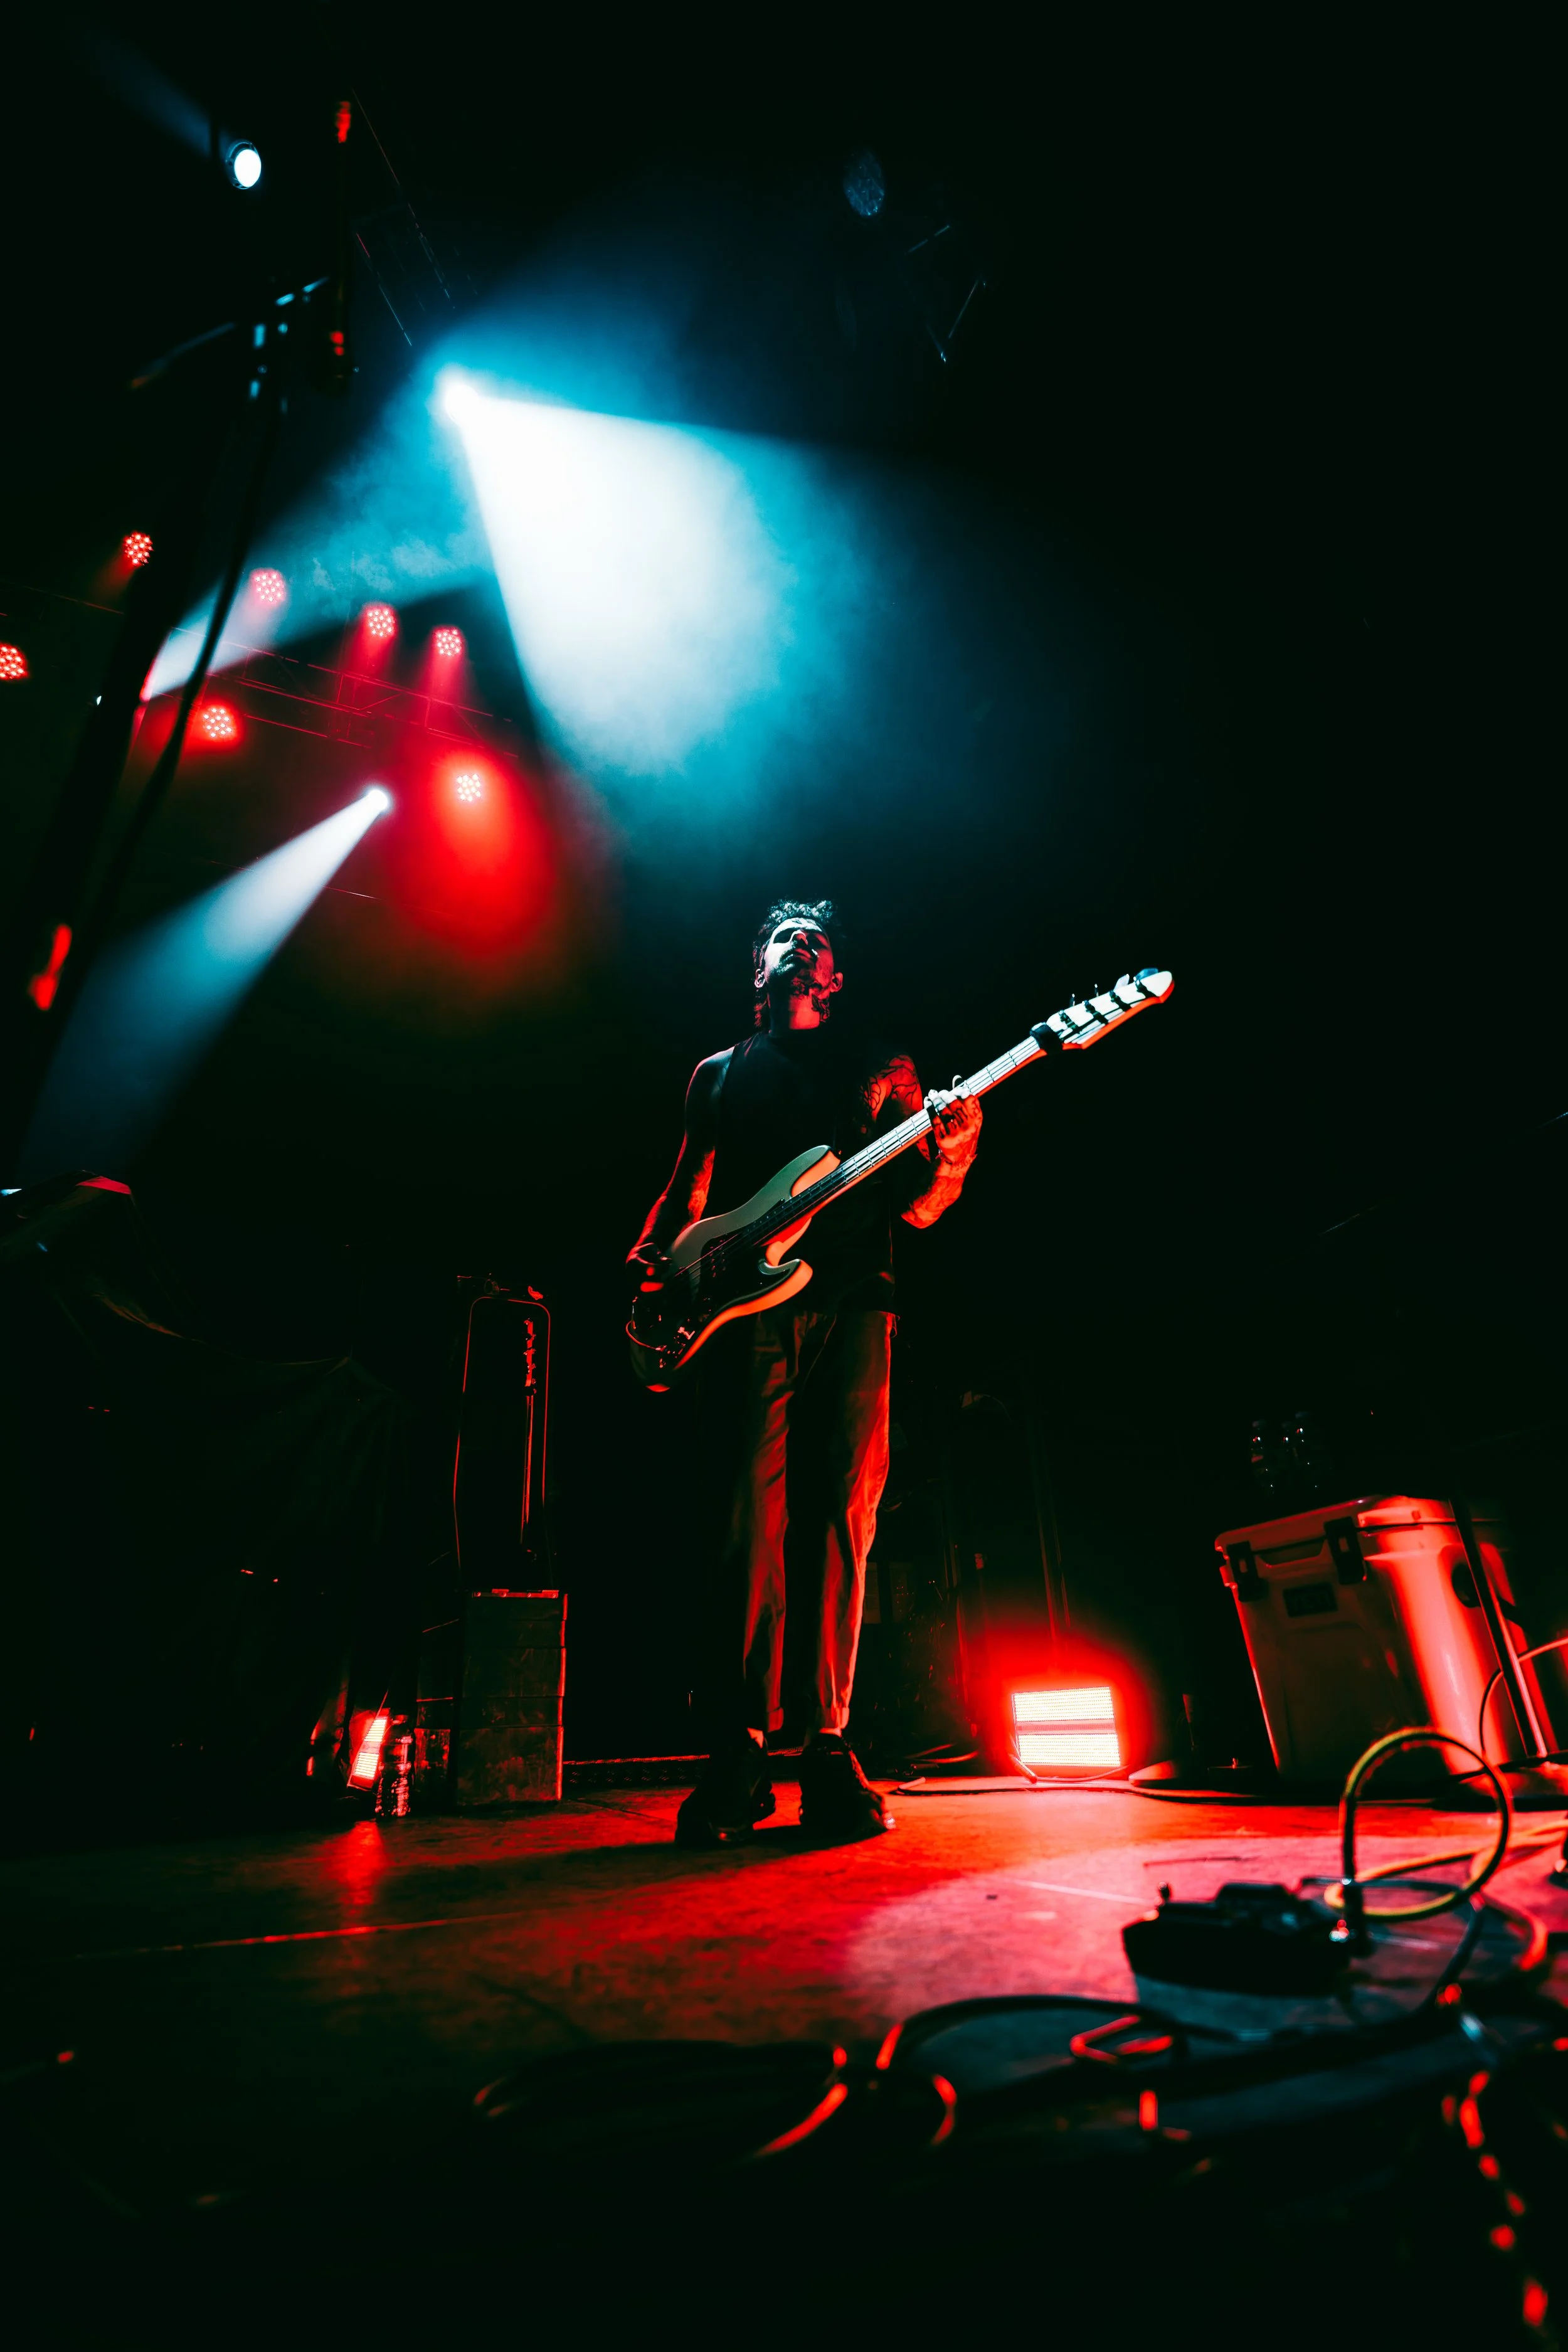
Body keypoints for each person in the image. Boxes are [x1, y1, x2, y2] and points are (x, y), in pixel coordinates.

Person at [628, 899, 982, 1845]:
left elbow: (921, 1209)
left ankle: (827, 1742)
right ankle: (739, 1750)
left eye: (816, 939)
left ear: (835, 977)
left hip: (857, 1302)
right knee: (744, 1518)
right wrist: (653, 1259)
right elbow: (689, 1182)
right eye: (783, 935)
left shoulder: (886, 1069)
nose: (800, 944)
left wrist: (952, 1156)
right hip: (744, 1312)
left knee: (840, 1514)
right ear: (759, 967)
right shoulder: (717, 1074)